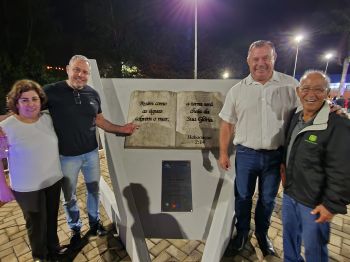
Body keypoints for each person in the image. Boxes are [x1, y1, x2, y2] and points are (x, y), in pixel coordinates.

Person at [44, 55, 138, 249]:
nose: (81, 75)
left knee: (93, 190)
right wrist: (10, 122)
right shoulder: (51, 91)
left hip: (91, 154)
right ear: (68, 69)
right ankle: (75, 228)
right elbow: (29, 110)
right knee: (69, 197)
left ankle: (94, 224)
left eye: (85, 72)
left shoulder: (93, 94)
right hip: (66, 156)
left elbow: (100, 120)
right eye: (77, 70)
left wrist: (123, 129)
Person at [219, 40, 299, 256]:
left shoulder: (291, 85)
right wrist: (224, 152)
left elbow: (309, 110)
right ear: (248, 60)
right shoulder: (237, 91)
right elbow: (226, 123)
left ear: (274, 58)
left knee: (268, 200)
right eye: (256, 59)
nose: (260, 63)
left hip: (275, 156)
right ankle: (242, 233)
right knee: (243, 197)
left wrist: (331, 109)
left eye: (266, 58)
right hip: (246, 155)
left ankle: (262, 234)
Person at [281, 70, 350, 261]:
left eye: (318, 89)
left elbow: (343, 171)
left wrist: (331, 205)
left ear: (328, 92)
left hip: (314, 203)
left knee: (314, 250)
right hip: (290, 195)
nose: (311, 94)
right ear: (298, 91)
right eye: (306, 88)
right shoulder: (295, 117)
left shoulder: (338, 125)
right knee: (289, 241)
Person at [0, 80, 66, 261]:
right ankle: (40, 256)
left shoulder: (47, 119)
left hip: (53, 180)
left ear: (40, 100)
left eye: (34, 99)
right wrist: (3, 188)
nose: (31, 104)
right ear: (16, 102)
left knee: (52, 218)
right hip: (27, 187)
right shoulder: (7, 127)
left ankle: (54, 249)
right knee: (36, 224)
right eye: (24, 100)